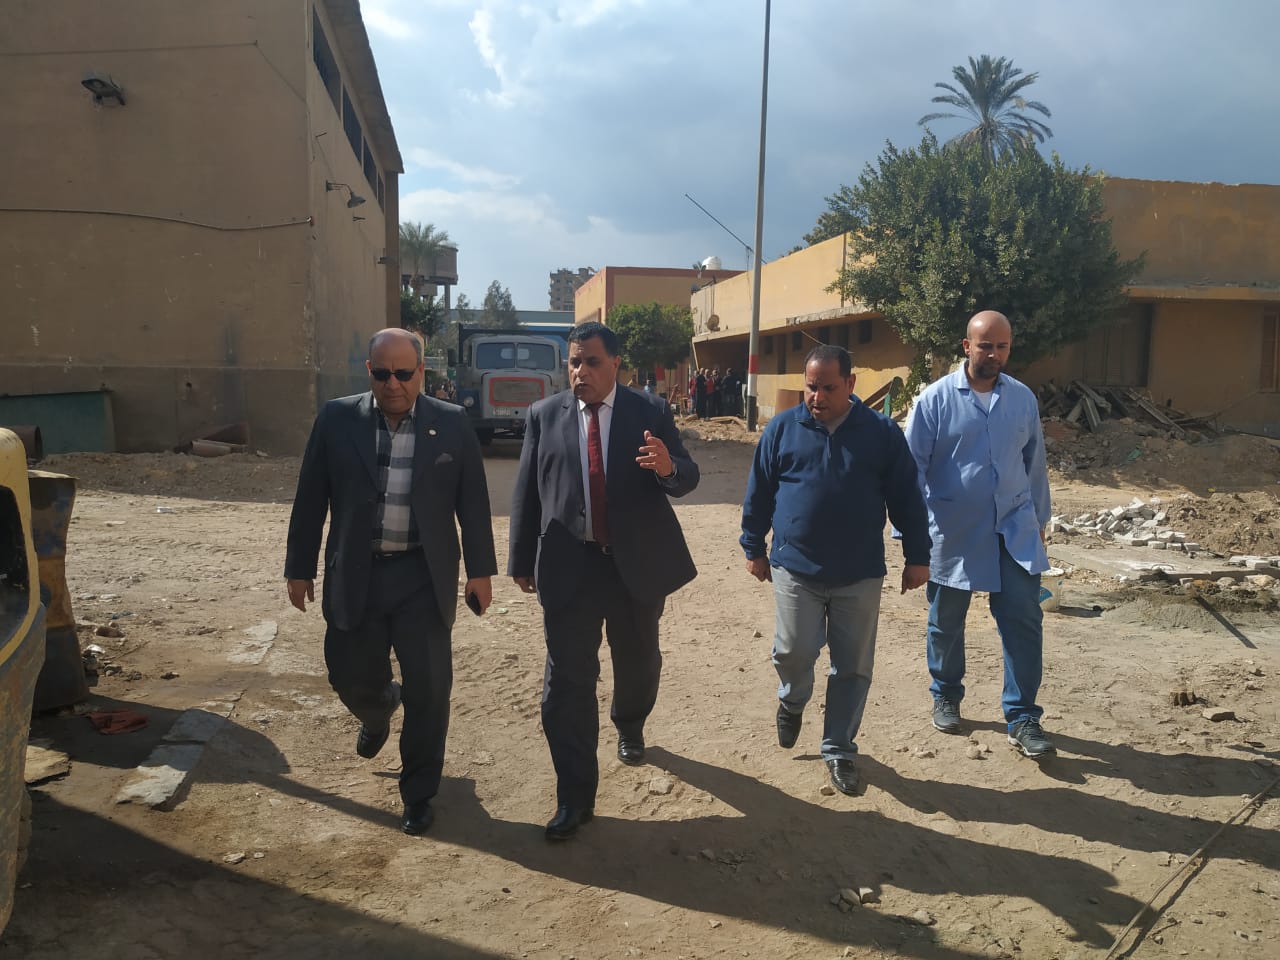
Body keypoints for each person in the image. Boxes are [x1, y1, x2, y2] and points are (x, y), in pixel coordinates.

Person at [284, 327, 498, 835]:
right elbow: (311, 497)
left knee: (430, 689)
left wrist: (480, 572)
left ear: (421, 371)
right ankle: (378, 710)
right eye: (383, 374)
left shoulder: (451, 423)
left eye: (404, 373)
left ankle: (419, 793)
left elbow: (472, 502)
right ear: (369, 372)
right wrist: (299, 567)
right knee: (348, 674)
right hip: (357, 572)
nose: (393, 384)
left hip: (423, 576)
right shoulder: (337, 420)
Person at [509, 321, 700, 841]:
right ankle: (574, 797)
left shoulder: (649, 411)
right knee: (566, 684)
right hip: (570, 566)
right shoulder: (544, 415)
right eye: (574, 362)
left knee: (638, 662)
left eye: (592, 362)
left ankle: (630, 721)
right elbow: (527, 491)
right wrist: (521, 559)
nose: (581, 372)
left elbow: (686, 476)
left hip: (632, 566)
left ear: (616, 364)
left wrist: (667, 467)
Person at [741, 345, 931, 795]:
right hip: (795, 567)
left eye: (828, 388)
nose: (817, 397)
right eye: (811, 387)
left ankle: (839, 749)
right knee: (793, 650)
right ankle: (793, 701)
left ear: (850, 384)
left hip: (859, 572)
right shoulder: (783, 428)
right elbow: (760, 490)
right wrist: (753, 546)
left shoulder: (881, 433)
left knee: (853, 666)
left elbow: (907, 496)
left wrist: (917, 557)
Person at [905, 310, 1056, 759]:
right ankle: (946, 693)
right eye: (985, 346)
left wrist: (1039, 520)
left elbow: (1034, 463)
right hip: (954, 532)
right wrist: (911, 538)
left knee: (1023, 620)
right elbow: (910, 470)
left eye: (1002, 347)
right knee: (946, 621)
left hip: (1014, 529)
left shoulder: (1022, 399)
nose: (993, 354)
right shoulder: (934, 400)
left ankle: (1023, 716)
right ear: (966, 346)